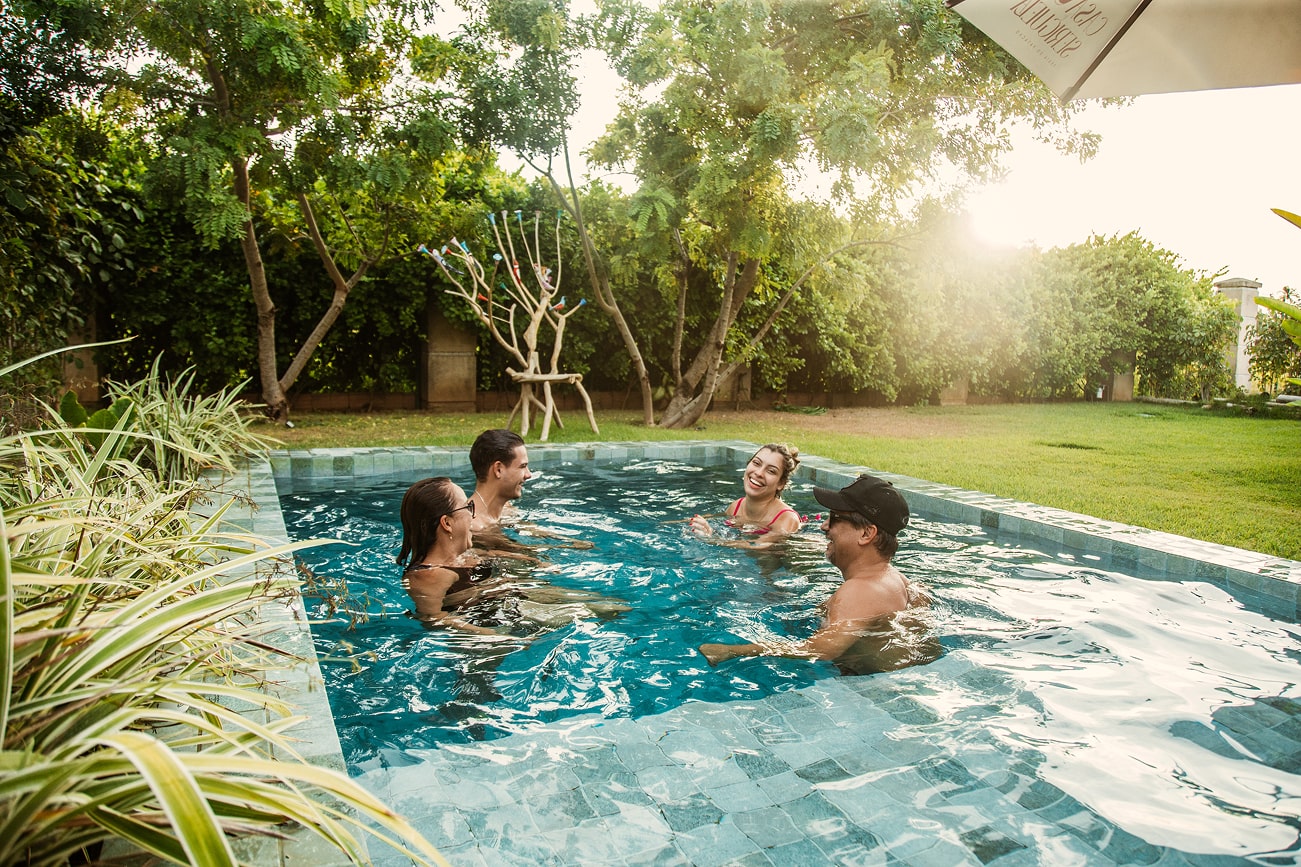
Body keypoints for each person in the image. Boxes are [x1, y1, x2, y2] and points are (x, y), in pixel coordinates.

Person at [698, 474, 937, 674]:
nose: (823, 526)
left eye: (834, 519)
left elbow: (820, 651)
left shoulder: (858, 591)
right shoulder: (896, 579)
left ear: (866, 534)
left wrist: (731, 651)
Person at [399, 477, 626, 632]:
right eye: (467, 509)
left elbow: (492, 558)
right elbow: (434, 620)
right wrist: (491, 636)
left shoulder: (462, 555)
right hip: (497, 623)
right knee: (589, 612)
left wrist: (533, 560)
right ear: (447, 523)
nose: (473, 515)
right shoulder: (427, 576)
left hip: (514, 600)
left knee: (614, 606)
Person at [689, 443, 803, 541]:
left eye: (771, 471)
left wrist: (711, 538)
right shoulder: (736, 507)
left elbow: (758, 547)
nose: (759, 473)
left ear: (780, 483)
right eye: (756, 463)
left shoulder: (786, 519)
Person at [468, 429, 532, 531]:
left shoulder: (506, 510)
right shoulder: (473, 526)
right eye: (522, 466)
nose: (528, 475)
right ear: (498, 469)